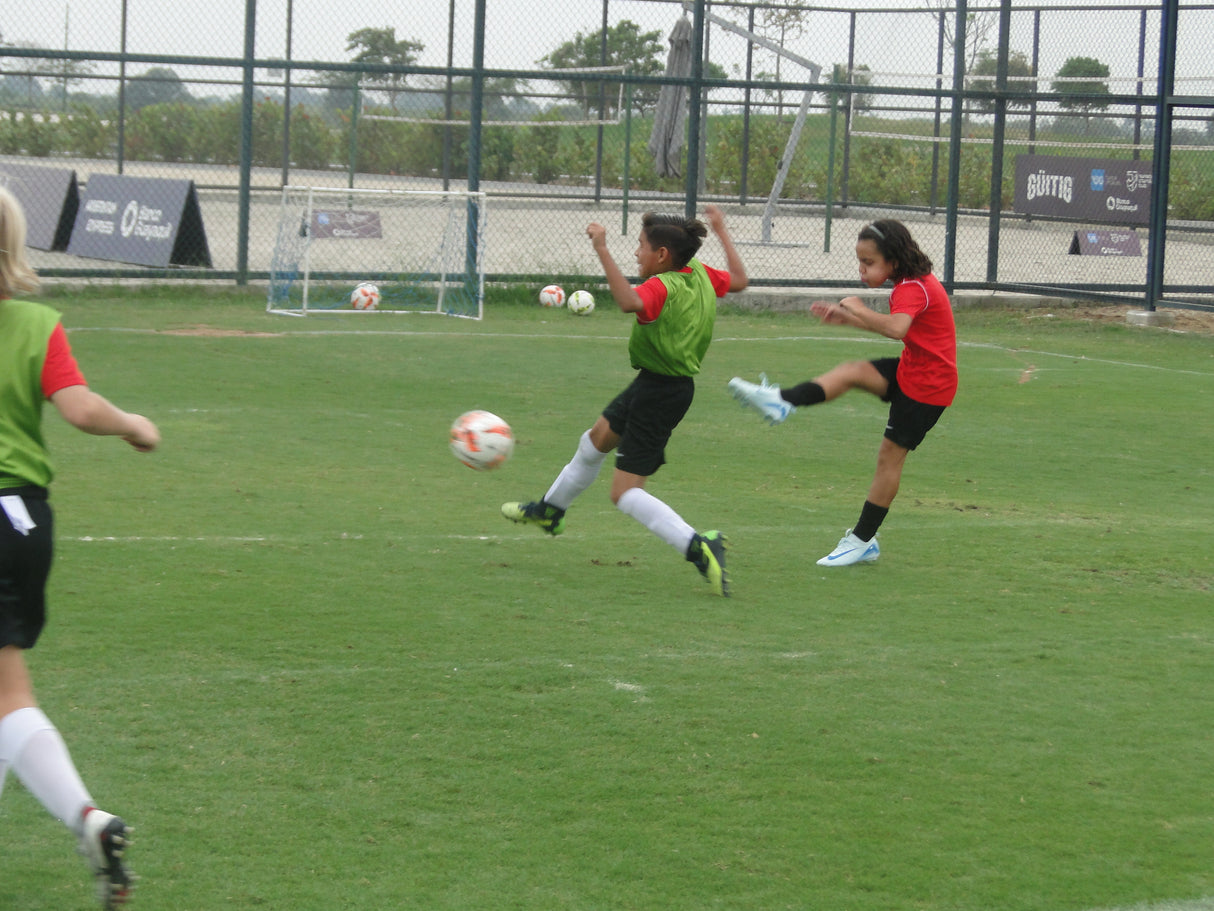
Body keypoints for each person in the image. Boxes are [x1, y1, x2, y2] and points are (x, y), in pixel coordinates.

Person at [0, 186, 159, 908]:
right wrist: (132, 423)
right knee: (7, 692)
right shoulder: (36, 322)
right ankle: (89, 820)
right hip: (24, 522)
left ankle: (83, 814)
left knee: (8, 696)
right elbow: (78, 405)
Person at [502, 206, 748, 596]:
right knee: (595, 439)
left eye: (640, 246)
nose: (636, 253)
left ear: (662, 255)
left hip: (661, 394)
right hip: (656, 384)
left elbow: (629, 302)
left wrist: (602, 249)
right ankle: (551, 510)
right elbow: (739, 280)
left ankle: (699, 545)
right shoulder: (699, 272)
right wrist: (721, 230)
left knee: (626, 492)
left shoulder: (661, 286)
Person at [728, 218, 957, 567]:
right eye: (860, 261)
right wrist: (849, 318)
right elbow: (902, 329)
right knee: (852, 372)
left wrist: (859, 309)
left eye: (868, 263)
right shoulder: (911, 282)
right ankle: (781, 401)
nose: (862, 270)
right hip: (913, 370)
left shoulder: (912, 288)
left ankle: (863, 540)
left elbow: (897, 328)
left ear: (893, 260)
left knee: (889, 458)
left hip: (929, 387)